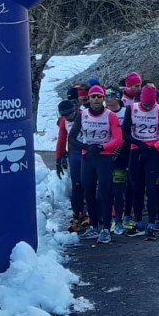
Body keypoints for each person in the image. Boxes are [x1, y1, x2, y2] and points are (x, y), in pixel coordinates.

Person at [68, 84, 123, 244]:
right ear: (89, 99)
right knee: (88, 191)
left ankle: (106, 228)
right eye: (93, 97)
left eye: (100, 97)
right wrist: (86, 147)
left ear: (104, 98)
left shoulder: (110, 116)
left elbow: (118, 139)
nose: (97, 100)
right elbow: (72, 138)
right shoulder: (83, 115)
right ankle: (94, 225)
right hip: (88, 157)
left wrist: (102, 147)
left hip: (104, 157)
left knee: (104, 192)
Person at [123, 84, 159, 240]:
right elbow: (125, 132)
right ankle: (137, 221)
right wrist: (139, 144)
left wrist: (152, 148)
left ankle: (151, 223)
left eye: (150, 105)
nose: (147, 107)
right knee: (137, 187)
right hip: (136, 150)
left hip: (153, 151)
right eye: (145, 104)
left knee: (151, 188)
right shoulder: (132, 109)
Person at [55, 99, 86, 231]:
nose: (68, 117)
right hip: (75, 152)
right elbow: (62, 139)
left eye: (70, 114)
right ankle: (78, 213)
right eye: (65, 115)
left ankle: (95, 212)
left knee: (89, 182)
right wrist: (59, 158)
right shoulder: (64, 121)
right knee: (76, 183)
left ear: (75, 110)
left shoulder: (85, 115)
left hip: (87, 150)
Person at [105, 87, 131, 234]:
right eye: (106, 95)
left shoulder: (126, 112)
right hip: (106, 154)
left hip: (123, 154)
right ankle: (107, 218)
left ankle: (121, 218)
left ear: (118, 97)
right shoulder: (103, 112)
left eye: (111, 95)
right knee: (106, 188)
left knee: (120, 188)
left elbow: (129, 131)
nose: (107, 98)